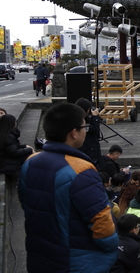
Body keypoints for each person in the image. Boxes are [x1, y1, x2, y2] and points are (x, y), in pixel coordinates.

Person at [18, 102, 118, 272]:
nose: (85, 131)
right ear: (74, 133)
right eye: (84, 127)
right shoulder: (81, 170)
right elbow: (101, 221)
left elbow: (25, 203)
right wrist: (112, 246)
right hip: (75, 261)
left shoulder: (30, 162)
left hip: (40, 254)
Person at [75, 97, 102, 168]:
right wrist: (95, 117)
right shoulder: (79, 122)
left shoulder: (80, 117)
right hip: (88, 152)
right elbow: (94, 129)